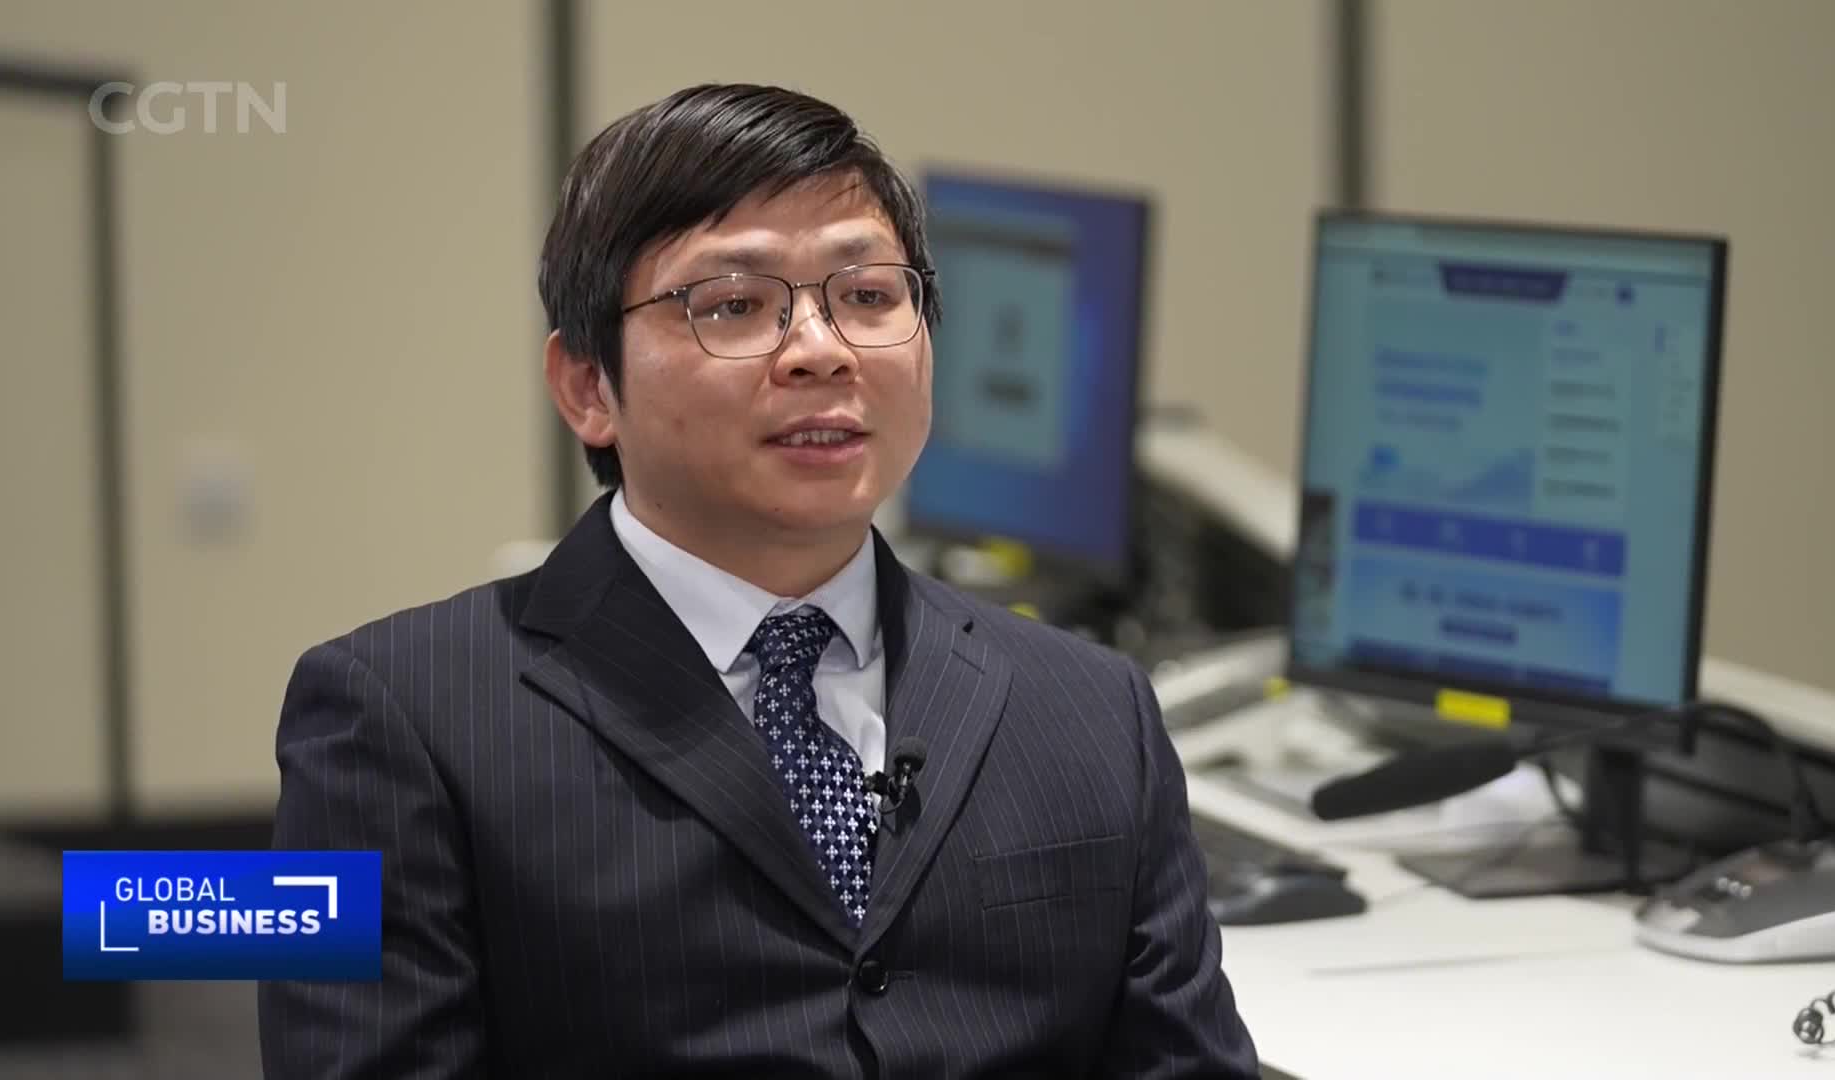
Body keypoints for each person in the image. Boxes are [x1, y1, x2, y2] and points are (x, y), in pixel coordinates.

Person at [258, 82, 1258, 1078]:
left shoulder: (1095, 711)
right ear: (587, 386)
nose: (821, 352)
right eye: (735, 305)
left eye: (868, 297)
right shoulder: (387, 721)